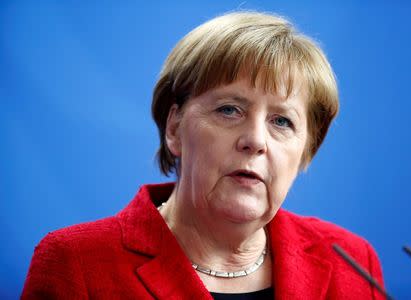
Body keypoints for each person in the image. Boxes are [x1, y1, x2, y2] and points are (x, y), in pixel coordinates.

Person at [22, 11, 385, 299]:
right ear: (175, 128)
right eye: (230, 110)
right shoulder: (76, 265)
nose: (255, 140)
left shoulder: (351, 261)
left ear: (306, 151)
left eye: (281, 121)